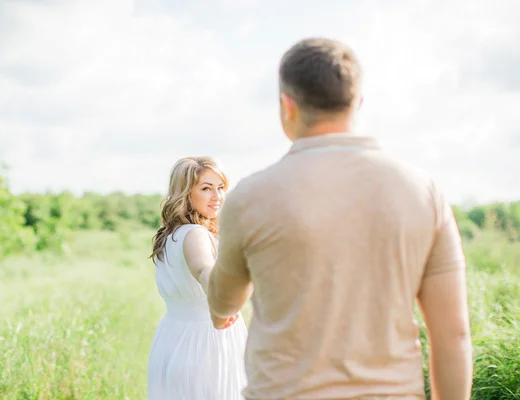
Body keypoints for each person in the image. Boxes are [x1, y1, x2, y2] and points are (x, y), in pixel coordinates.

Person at [206, 37, 473, 399]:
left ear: (287, 106)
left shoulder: (249, 197)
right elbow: (453, 335)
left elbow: (224, 303)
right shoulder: (423, 191)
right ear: (357, 102)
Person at [147, 156, 248, 400]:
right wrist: (221, 298)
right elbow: (204, 269)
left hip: (174, 337)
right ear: (186, 193)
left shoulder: (170, 236)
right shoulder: (195, 235)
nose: (217, 196)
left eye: (220, 187)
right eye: (206, 188)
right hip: (205, 342)